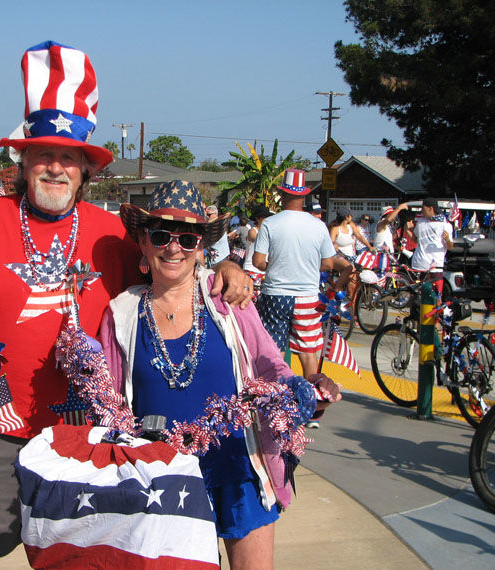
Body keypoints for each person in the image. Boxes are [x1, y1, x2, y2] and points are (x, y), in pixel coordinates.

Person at [0, 40, 252, 570]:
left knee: (81, 561)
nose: (56, 168)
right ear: (24, 163)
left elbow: (170, 266)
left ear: (84, 170)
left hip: (84, 432)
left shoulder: (110, 235)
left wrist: (224, 270)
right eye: (44, 155)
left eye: (68, 157)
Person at [103, 180, 341, 569]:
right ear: (144, 244)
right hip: (161, 476)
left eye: (188, 238)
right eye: (161, 235)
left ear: (201, 247)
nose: (173, 247)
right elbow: (110, 401)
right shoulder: (122, 313)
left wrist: (302, 390)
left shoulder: (228, 301)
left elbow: (269, 365)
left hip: (238, 463)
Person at [252, 169, 349, 381]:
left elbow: (258, 262)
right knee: (308, 351)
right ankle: (311, 400)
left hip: (275, 295)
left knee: (273, 349)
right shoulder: (318, 226)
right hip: (308, 296)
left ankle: (273, 397)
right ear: (303, 196)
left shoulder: (270, 223)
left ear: (283, 195)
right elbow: (328, 263)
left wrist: (277, 265)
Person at [411, 197, 454, 294]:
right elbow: (415, 239)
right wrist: (407, 230)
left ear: (431, 208)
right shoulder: (421, 222)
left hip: (435, 266)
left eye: (423, 208)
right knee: (418, 296)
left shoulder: (445, 225)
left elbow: (451, 247)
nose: (422, 211)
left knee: (435, 296)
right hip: (418, 265)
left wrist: (447, 239)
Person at [329, 207, 375, 294]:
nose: (352, 217)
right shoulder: (335, 229)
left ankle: (352, 303)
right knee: (349, 268)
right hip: (338, 256)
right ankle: (337, 288)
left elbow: (359, 236)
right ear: (347, 216)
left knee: (353, 280)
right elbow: (330, 243)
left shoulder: (351, 225)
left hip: (350, 257)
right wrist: (334, 245)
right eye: (351, 215)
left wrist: (370, 246)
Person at [242, 204, 274, 296]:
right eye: (265, 218)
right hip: (252, 269)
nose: (267, 220)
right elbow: (255, 238)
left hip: (265, 271)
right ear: (258, 218)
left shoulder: (269, 232)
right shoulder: (253, 231)